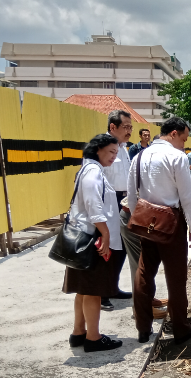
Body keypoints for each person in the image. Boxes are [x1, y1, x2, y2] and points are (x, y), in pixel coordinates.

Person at [127, 117, 191, 344]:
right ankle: (180, 328)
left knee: (144, 274)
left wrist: (139, 219)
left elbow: (132, 194)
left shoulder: (140, 156)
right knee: (176, 277)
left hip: (146, 222)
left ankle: (143, 328)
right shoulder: (177, 156)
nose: (184, 144)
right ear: (173, 133)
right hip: (171, 223)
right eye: (183, 138)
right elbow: (186, 195)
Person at [63, 134, 123, 353]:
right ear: (98, 149)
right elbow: (93, 205)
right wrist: (105, 235)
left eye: (116, 153)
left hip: (84, 236)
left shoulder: (87, 169)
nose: (113, 157)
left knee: (83, 289)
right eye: (111, 152)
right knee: (93, 291)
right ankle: (93, 337)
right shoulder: (93, 172)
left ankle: (79, 332)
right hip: (91, 239)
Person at [101, 110, 134, 311]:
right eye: (126, 127)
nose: (130, 131)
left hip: (123, 199)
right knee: (108, 248)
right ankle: (101, 292)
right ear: (113, 127)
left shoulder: (122, 148)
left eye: (131, 127)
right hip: (109, 200)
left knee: (121, 246)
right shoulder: (104, 146)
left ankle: (112, 287)